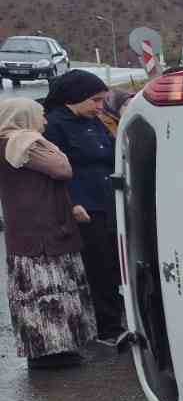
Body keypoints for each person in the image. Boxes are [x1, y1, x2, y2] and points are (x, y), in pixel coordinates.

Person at [0, 97, 99, 368]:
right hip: (40, 228)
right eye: (40, 115)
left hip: (36, 225)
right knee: (46, 288)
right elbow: (62, 168)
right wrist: (53, 148)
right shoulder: (22, 143)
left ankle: (56, 349)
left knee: (50, 288)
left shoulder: (20, 142)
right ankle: (50, 353)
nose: (45, 121)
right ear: (24, 117)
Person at [43, 70, 123, 340]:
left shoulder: (95, 122)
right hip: (84, 207)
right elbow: (54, 173)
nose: (100, 106)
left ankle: (119, 316)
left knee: (115, 262)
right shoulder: (54, 126)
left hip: (109, 201)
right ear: (75, 98)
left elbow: (112, 154)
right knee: (98, 267)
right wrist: (73, 202)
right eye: (95, 100)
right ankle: (107, 327)